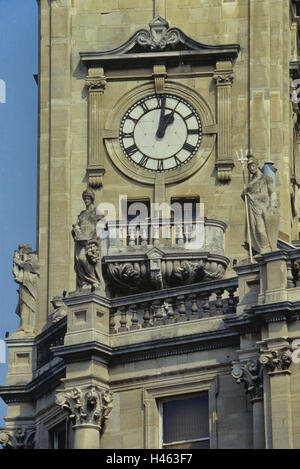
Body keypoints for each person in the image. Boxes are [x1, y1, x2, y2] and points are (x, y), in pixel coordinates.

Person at [242, 155, 278, 255]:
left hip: (263, 208)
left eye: (252, 166)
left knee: (261, 229)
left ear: (257, 165)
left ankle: (266, 248)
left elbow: (272, 192)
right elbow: (244, 195)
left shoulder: (266, 178)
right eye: (249, 167)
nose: (251, 168)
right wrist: (245, 194)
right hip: (253, 209)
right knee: (255, 230)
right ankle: (259, 249)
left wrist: (272, 205)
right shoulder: (249, 184)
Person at [72, 189, 105, 290]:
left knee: (85, 258)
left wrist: (94, 237)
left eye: (88, 198)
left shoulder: (96, 212)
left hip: (91, 240)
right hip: (80, 241)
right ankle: (84, 283)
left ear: (91, 199)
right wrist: (76, 229)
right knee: (79, 261)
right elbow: (76, 225)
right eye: (84, 199)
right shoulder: (81, 214)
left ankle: (94, 281)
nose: (86, 200)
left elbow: (102, 224)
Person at [13, 244, 39, 334]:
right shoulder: (25, 259)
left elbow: (33, 267)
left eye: (20, 250)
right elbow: (19, 275)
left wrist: (17, 261)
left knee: (29, 306)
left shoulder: (33, 257)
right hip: (25, 286)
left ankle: (28, 326)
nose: (19, 253)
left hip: (30, 286)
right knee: (24, 306)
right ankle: (24, 326)